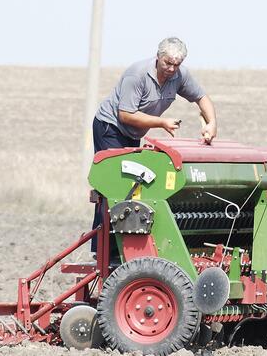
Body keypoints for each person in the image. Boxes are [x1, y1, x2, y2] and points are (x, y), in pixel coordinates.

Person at [91, 37, 216, 250]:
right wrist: (161, 122)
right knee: (115, 186)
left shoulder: (179, 75)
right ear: (158, 57)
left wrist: (212, 123)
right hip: (110, 128)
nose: (171, 68)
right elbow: (126, 115)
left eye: (176, 64)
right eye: (167, 63)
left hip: (132, 133)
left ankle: (128, 246)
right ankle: (103, 249)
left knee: (135, 187)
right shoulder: (137, 75)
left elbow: (201, 98)